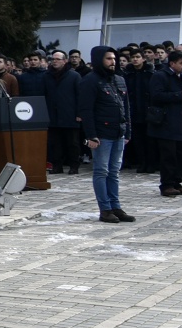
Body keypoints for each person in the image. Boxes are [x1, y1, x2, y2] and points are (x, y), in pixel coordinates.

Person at [80, 45, 135, 223]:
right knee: (101, 171)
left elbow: (125, 107)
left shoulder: (119, 79)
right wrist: (91, 135)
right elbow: (86, 110)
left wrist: (127, 130)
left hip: (118, 131)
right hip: (101, 133)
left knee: (114, 172)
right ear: (99, 60)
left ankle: (115, 207)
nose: (113, 62)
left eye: (113, 59)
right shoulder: (91, 80)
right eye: (108, 59)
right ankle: (105, 209)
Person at [149, 50, 182, 198]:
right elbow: (156, 96)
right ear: (172, 63)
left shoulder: (180, 77)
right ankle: (167, 184)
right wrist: (179, 95)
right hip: (166, 122)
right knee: (168, 155)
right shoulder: (160, 75)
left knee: (180, 154)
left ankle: (177, 182)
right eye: (181, 63)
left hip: (181, 121)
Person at [46, 49, 84, 174]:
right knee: (55, 144)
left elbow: (80, 95)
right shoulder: (47, 76)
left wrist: (79, 113)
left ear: (65, 61)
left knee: (72, 143)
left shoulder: (74, 76)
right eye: (53, 59)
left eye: (57, 59)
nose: (54, 61)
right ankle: (57, 166)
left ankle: (74, 165)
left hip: (70, 115)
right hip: (53, 115)